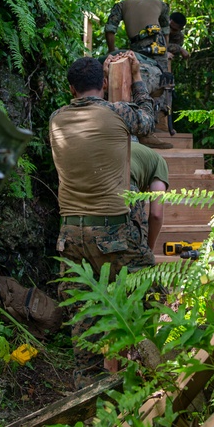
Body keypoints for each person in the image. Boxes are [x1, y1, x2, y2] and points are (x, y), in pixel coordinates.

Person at [48, 54, 158, 389]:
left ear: (70, 88)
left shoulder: (55, 119)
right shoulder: (116, 112)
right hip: (113, 231)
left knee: (83, 312)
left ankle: (88, 389)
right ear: (105, 85)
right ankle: (151, 373)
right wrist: (136, 76)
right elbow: (148, 121)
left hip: (69, 235)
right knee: (149, 288)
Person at [104, 0, 186, 140]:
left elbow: (110, 30)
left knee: (152, 81)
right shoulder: (161, 4)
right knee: (161, 81)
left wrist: (111, 51)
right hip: (152, 43)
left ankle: (148, 129)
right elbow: (165, 32)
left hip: (144, 43)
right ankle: (151, 126)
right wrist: (164, 51)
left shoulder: (121, 6)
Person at [130, 142, 170, 252]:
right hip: (126, 183)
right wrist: (149, 250)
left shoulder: (135, 150)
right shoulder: (160, 163)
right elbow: (156, 214)